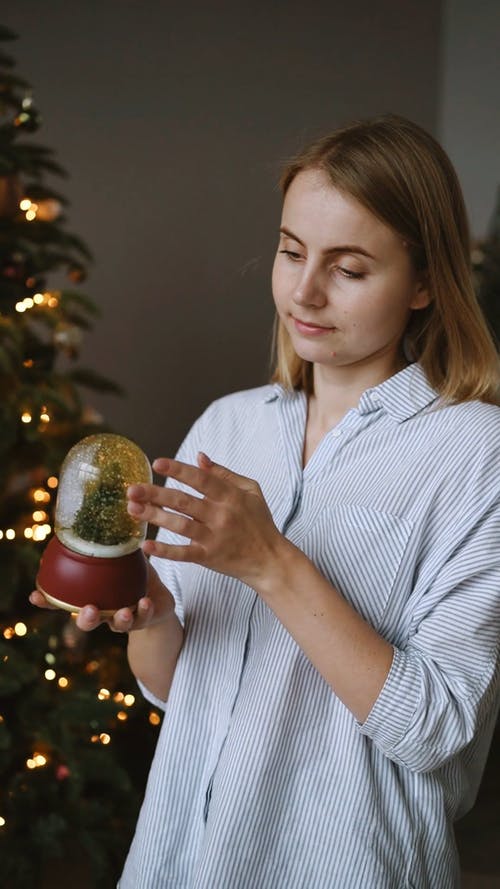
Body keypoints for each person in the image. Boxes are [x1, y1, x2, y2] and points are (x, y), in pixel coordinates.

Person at [31, 114, 500, 889]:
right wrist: (152, 614)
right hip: (179, 862)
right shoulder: (228, 426)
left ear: (424, 282)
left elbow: (435, 729)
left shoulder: (476, 452)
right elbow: (176, 690)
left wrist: (273, 563)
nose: (305, 290)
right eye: (291, 252)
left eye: (350, 269)